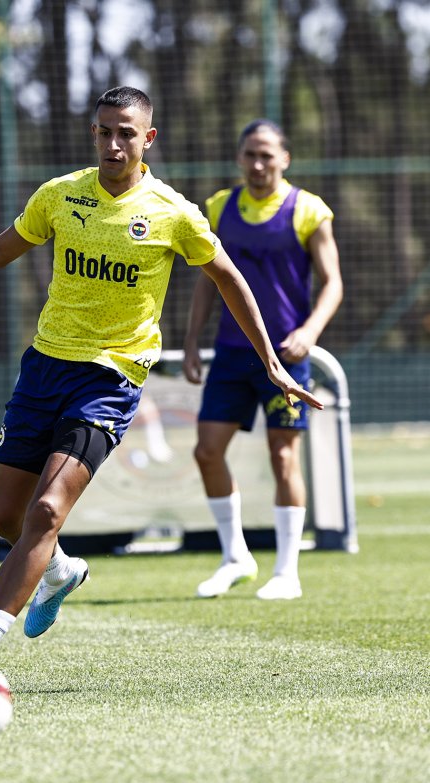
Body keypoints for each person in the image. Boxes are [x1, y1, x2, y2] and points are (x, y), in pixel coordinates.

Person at [0, 86, 322, 663]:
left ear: (147, 139)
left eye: (127, 133)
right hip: (44, 368)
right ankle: (61, 569)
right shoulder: (61, 196)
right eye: (105, 131)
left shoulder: (173, 212)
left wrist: (271, 361)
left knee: (47, 511)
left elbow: (229, 279)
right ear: (93, 134)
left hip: (112, 377)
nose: (114, 143)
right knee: (5, 517)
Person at [182, 119, 343, 601]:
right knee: (206, 451)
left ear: (285, 159)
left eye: (267, 155)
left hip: (288, 358)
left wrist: (308, 333)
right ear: (239, 157)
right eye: (250, 154)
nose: (257, 164)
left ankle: (287, 571)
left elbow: (333, 283)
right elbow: (208, 279)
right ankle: (236, 558)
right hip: (233, 355)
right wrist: (191, 340)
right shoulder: (219, 207)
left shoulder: (309, 210)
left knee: (283, 456)